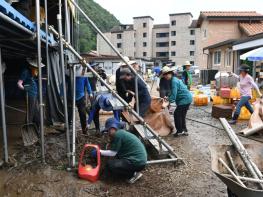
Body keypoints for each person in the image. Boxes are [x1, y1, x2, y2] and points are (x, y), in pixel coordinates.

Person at [92, 117, 147, 183]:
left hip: (137, 161)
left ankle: (133, 174)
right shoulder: (121, 133)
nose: (108, 133)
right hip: (139, 160)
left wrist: (99, 151)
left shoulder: (118, 135)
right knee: (115, 160)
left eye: (108, 130)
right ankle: (132, 172)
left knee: (111, 165)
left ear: (113, 128)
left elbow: (113, 153)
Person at [162, 67, 192, 137]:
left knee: (177, 114)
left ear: (171, 74)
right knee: (182, 115)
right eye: (164, 74)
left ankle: (179, 131)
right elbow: (172, 92)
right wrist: (168, 96)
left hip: (184, 99)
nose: (166, 76)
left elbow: (174, 96)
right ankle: (184, 130)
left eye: (167, 74)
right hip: (187, 98)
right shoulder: (173, 80)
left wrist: (168, 100)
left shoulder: (173, 81)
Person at [17, 58, 45, 128]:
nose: (37, 69)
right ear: (31, 66)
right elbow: (19, 83)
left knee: (36, 112)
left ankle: (37, 127)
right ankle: (27, 128)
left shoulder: (32, 72)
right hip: (30, 95)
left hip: (34, 94)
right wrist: (25, 89)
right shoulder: (25, 71)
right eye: (36, 67)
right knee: (30, 112)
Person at [75, 65, 93, 134]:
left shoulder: (84, 76)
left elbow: (87, 84)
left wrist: (90, 92)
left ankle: (84, 130)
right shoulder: (70, 74)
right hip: (71, 96)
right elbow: (63, 85)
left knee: (82, 113)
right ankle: (69, 128)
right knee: (69, 114)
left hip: (81, 96)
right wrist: (62, 94)